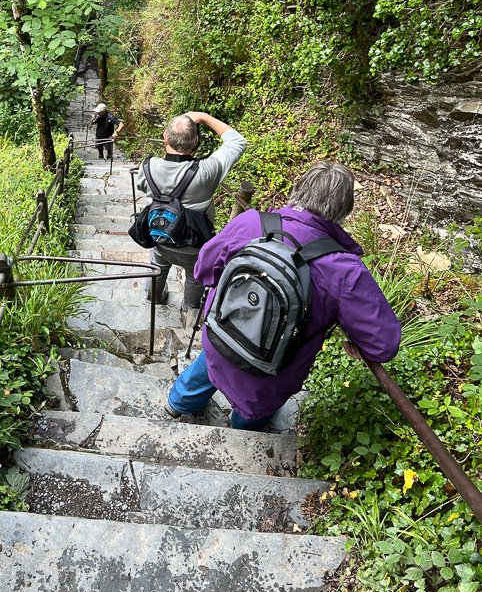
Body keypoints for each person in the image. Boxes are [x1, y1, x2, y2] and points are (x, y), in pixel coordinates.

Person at [165, 160, 402, 429]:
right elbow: (383, 344)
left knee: (210, 362)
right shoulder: (344, 268)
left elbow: (203, 268)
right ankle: (243, 435)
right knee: (253, 411)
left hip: (223, 333)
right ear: (344, 211)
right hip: (272, 371)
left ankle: (177, 404)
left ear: (298, 190)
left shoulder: (251, 221)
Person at [136, 112, 246, 313]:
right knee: (195, 276)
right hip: (193, 245)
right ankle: (190, 308)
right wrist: (203, 117)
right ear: (196, 142)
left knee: (157, 269)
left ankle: (154, 300)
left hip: (160, 237)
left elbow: (142, 187)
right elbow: (237, 142)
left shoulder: (147, 167)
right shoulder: (207, 171)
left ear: (165, 138)